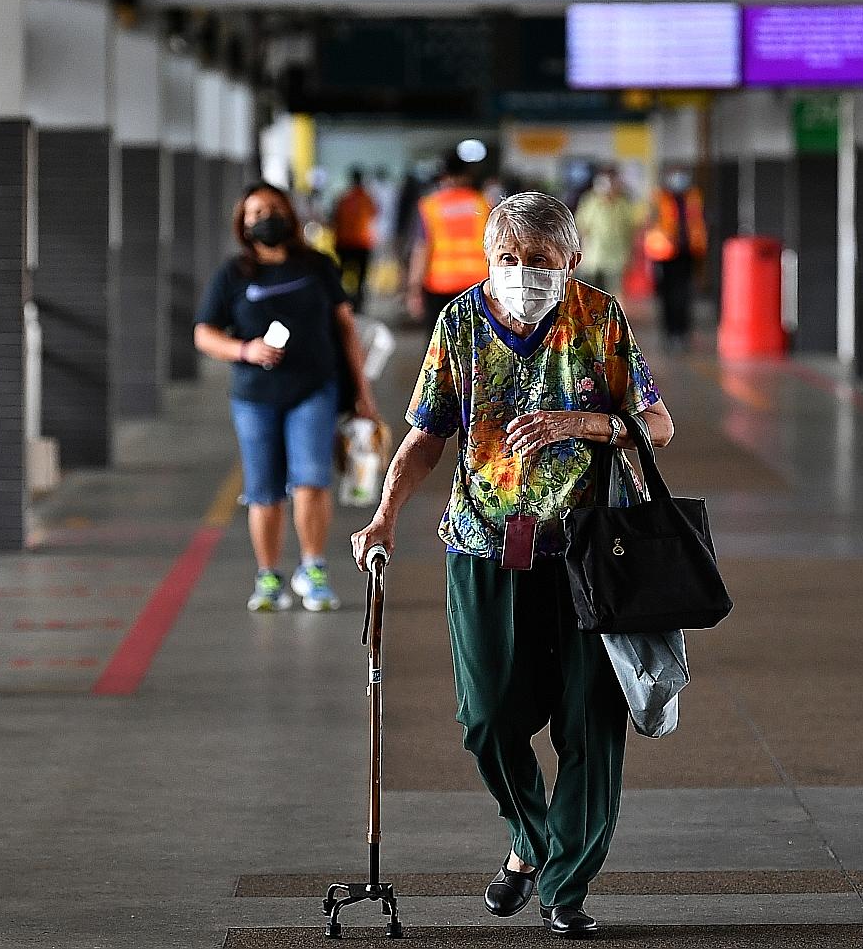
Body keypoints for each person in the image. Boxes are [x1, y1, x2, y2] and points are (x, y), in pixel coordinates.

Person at [352, 192, 675, 939]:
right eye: (507, 259)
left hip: (591, 553)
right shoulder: (461, 323)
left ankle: (565, 886)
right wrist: (385, 517)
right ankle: (530, 838)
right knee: (488, 718)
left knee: (591, 723)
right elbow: (427, 436)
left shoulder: (599, 319)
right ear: (487, 259)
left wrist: (590, 424)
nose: (521, 272)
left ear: (571, 259)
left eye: (538, 260)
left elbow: (658, 423)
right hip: (484, 546)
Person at [195, 183, 380, 613]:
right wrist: (245, 350)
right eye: (256, 212)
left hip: (314, 389)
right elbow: (204, 333)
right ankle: (268, 576)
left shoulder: (317, 266)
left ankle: (313, 570)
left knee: (312, 480)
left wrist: (363, 393)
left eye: (273, 209)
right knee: (263, 490)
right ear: (242, 223)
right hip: (255, 396)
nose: (265, 217)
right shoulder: (233, 274)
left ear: (290, 215)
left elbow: (346, 328)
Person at [406, 151, 492, 330]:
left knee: (440, 346)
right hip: (478, 285)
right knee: (477, 345)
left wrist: (414, 290)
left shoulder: (430, 206)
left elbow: (421, 248)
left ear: (443, 176)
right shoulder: (483, 203)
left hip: (440, 285)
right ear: (467, 176)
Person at [644, 169, 707, 352]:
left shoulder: (693, 197)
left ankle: (683, 333)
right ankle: (670, 333)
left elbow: (698, 222)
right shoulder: (658, 198)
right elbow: (649, 222)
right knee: (667, 298)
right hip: (664, 254)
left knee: (684, 296)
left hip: (687, 253)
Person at [573, 167, 639, 295]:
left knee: (613, 297)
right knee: (590, 297)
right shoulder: (590, 201)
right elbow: (581, 227)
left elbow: (632, 230)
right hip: (593, 261)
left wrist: (632, 257)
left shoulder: (624, 204)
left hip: (616, 261)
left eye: (611, 182)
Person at [331, 166, 379, 313]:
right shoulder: (367, 199)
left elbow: (335, 218)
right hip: (362, 243)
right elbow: (374, 214)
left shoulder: (343, 199)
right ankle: (359, 303)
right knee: (362, 277)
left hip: (344, 242)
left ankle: (343, 301)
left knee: (342, 274)